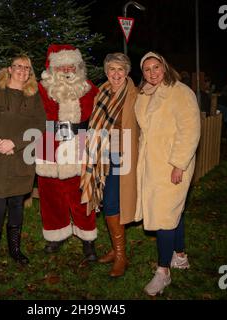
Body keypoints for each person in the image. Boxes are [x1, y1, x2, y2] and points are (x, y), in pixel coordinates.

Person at [0, 54, 46, 275]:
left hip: (21, 157)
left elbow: (41, 125)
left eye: (27, 68)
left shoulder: (33, 97)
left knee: (16, 203)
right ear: (9, 69)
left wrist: (16, 143)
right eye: (18, 67)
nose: (23, 70)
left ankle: (15, 250)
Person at [134, 52, 201, 296]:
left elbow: (190, 130)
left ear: (165, 67)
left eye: (156, 67)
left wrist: (179, 164)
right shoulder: (143, 95)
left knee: (164, 216)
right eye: (147, 69)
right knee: (174, 210)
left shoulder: (181, 92)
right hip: (151, 164)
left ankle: (163, 271)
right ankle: (180, 255)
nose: (152, 73)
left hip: (173, 164)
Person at [35, 44, 99, 261]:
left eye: (71, 65)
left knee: (81, 194)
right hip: (48, 143)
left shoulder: (89, 88)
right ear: (53, 69)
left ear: (78, 66)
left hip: (79, 143)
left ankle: (87, 238)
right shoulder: (41, 88)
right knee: (51, 195)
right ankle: (56, 234)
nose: (66, 70)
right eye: (61, 66)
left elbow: (102, 115)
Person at [80, 53, 139, 277]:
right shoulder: (102, 92)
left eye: (120, 69)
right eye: (112, 69)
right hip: (101, 154)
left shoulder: (134, 94)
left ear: (127, 72)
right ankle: (116, 250)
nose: (116, 74)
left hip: (122, 154)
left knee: (113, 202)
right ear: (106, 72)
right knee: (106, 202)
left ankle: (121, 255)